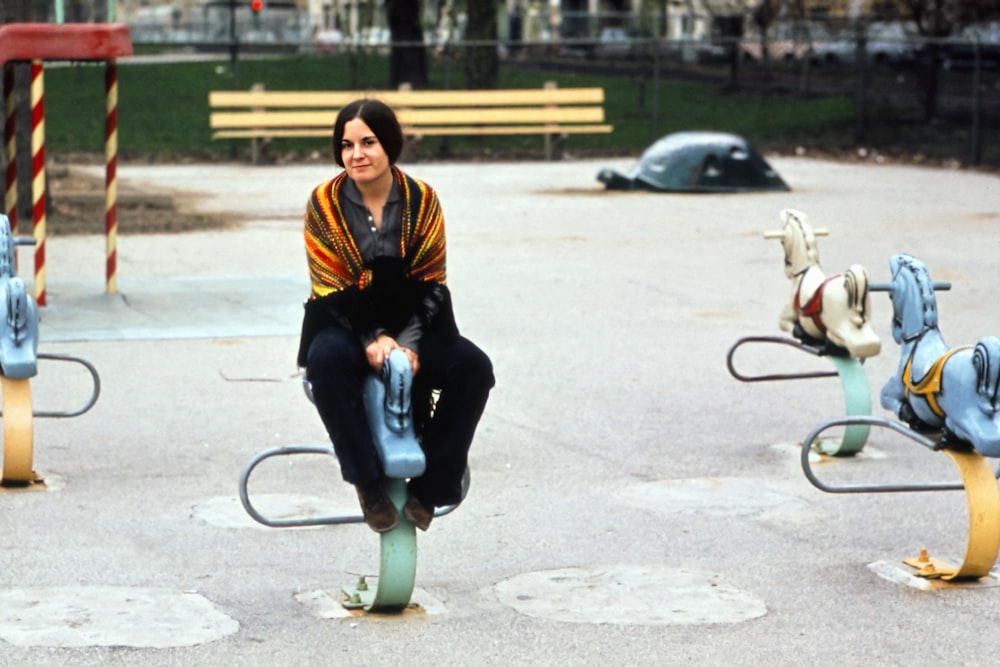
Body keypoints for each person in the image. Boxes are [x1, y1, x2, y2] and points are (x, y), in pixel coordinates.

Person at [297, 98, 494, 534]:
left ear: (389, 144)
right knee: (327, 364)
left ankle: (432, 488)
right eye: (346, 145)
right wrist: (372, 337)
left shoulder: (423, 199)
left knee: (474, 369)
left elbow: (431, 281)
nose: (356, 154)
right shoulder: (323, 204)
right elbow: (330, 284)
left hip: (417, 321)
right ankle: (368, 485)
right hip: (344, 319)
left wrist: (408, 340)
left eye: (368, 142)